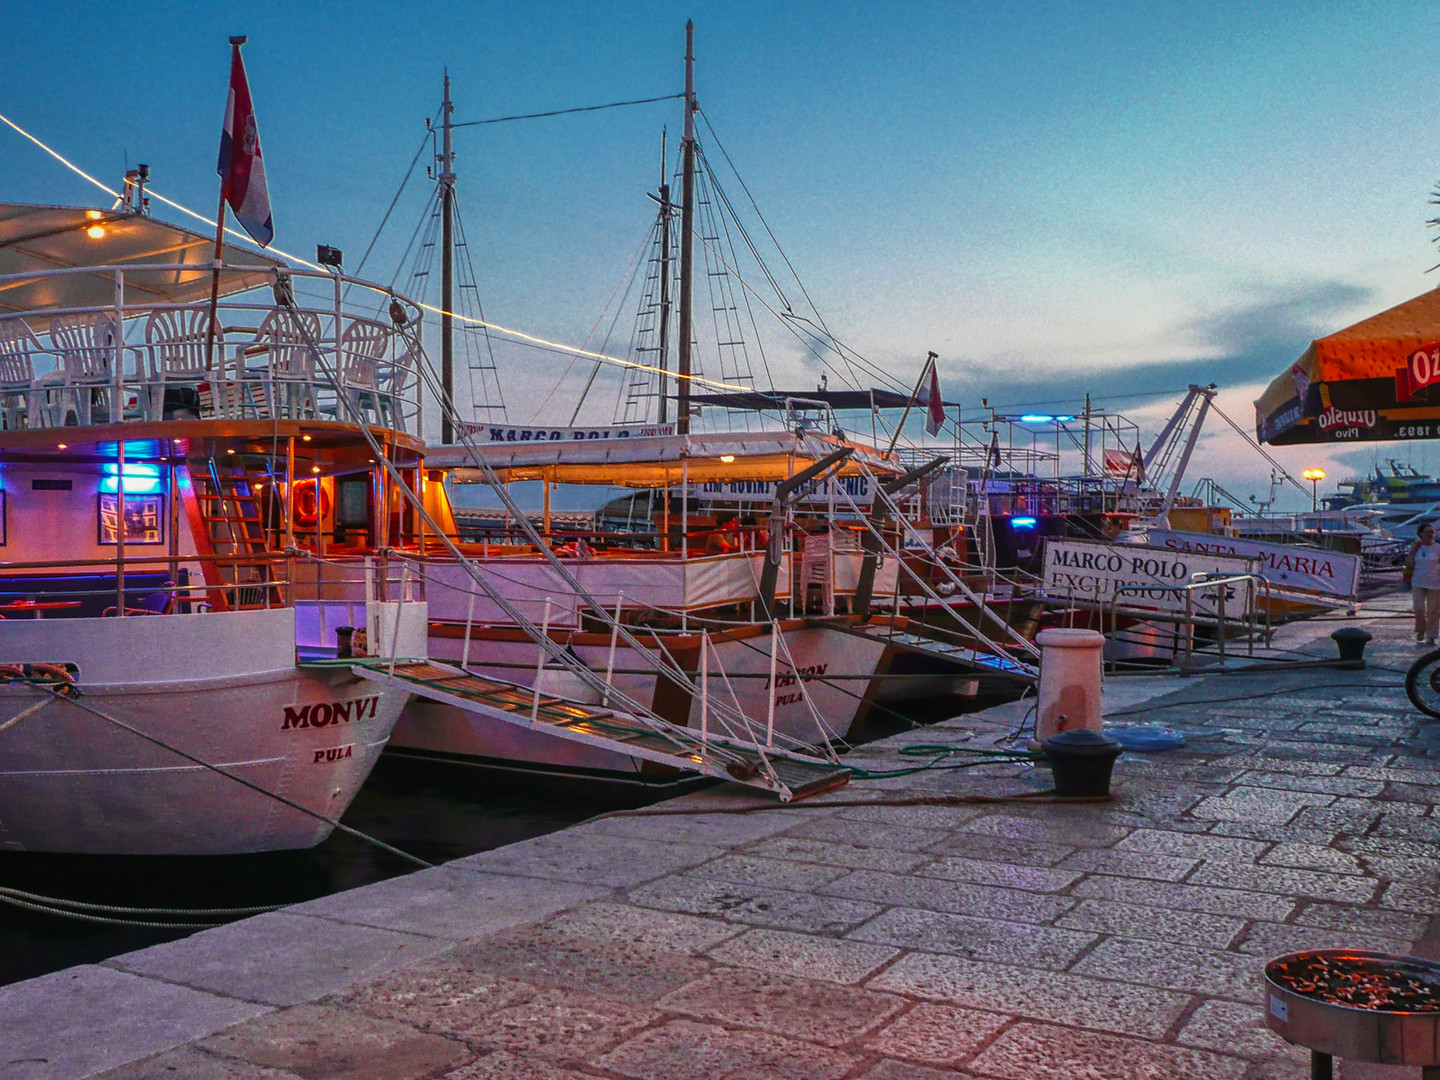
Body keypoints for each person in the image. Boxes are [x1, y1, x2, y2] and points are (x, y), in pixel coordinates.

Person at [1407, 522, 1440, 644]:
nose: (1431, 534)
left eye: (1432, 532)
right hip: (1418, 581)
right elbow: (1409, 564)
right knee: (1418, 608)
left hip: (1435, 582)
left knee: (1433, 610)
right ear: (1420, 533)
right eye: (1428, 532)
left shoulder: (1438, 547)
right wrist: (1414, 550)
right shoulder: (1416, 547)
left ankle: (1431, 635)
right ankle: (1421, 629)